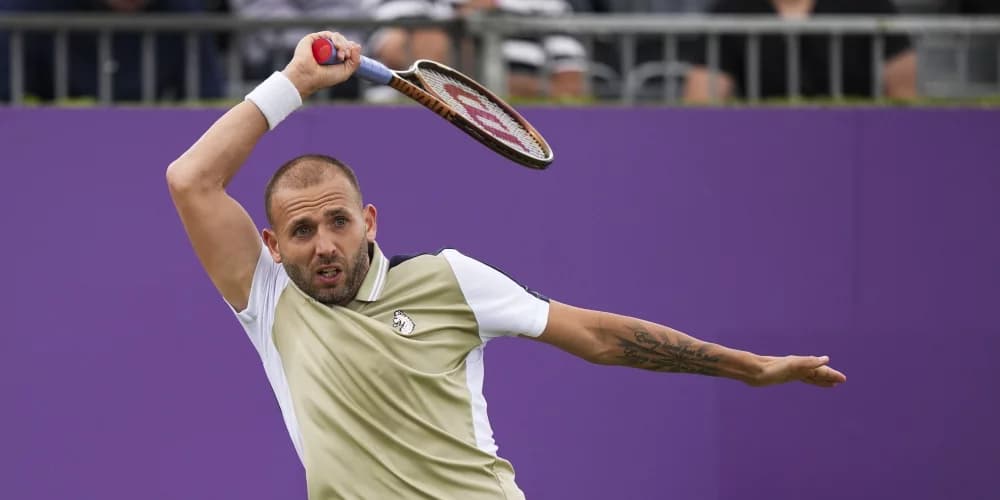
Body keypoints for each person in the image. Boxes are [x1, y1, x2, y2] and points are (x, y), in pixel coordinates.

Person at [166, 31, 846, 499]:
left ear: (369, 222)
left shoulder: (450, 279)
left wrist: (749, 367)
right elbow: (191, 179)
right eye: (302, 229)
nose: (323, 244)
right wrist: (296, 81)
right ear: (273, 244)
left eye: (338, 221)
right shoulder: (268, 300)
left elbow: (601, 337)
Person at [682, 0, 918, 103]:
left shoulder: (867, 5)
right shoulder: (731, 10)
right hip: (762, 148)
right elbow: (701, 99)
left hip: (852, 146)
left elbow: (905, 94)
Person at [364, 0, 587, 100]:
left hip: (511, 134)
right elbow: (411, 54)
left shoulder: (549, 4)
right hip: (412, 122)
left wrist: (480, 96)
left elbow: (571, 86)